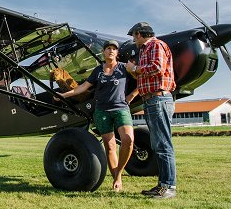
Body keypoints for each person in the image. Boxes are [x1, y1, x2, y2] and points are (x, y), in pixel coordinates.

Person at [56, 40, 136, 192]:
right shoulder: (98, 70)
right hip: (101, 111)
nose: (111, 51)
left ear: (117, 53)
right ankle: (116, 180)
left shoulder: (124, 67)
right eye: (108, 48)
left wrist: (132, 95)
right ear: (104, 52)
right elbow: (83, 88)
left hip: (121, 109)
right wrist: (63, 95)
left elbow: (142, 79)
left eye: (114, 49)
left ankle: (118, 173)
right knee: (110, 146)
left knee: (128, 140)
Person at [125, 22, 177, 199]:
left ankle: (168, 187)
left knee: (163, 144)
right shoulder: (146, 50)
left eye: (134, 36)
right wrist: (133, 70)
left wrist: (135, 68)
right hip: (152, 99)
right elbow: (145, 74)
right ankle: (162, 185)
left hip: (158, 98)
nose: (133, 40)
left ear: (139, 34)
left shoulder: (155, 45)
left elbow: (157, 68)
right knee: (158, 144)